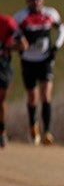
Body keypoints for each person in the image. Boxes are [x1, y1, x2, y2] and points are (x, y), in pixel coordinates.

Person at [14, 0, 64, 145]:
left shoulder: (50, 14)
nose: (36, 1)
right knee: (32, 96)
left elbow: (62, 29)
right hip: (28, 60)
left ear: (43, 0)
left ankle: (47, 131)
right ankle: (33, 125)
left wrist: (56, 47)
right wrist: (19, 46)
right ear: (27, 1)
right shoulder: (20, 17)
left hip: (45, 60)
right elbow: (12, 33)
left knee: (46, 95)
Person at [0, 12, 28, 147]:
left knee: (1, 100)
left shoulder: (7, 23)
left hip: (3, 66)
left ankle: (2, 131)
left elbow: (23, 45)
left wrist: (5, 47)